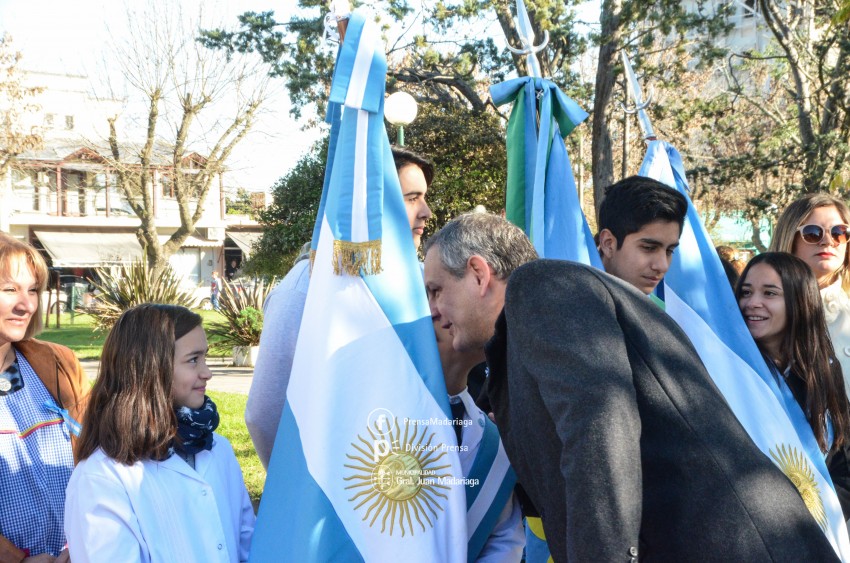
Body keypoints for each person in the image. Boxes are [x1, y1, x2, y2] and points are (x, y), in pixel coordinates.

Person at [424, 213, 838, 561]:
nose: (434, 310)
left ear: (479, 273)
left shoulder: (542, 287)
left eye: (436, 290)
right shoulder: (514, 354)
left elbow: (600, 430)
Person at [246, 145, 435, 468]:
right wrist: (300, 486)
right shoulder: (304, 288)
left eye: (424, 197)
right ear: (370, 202)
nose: (426, 211)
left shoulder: (422, 280)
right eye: (411, 197)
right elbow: (265, 413)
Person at [64, 304, 255, 562]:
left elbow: (249, 545)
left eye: (205, 358)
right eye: (193, 360)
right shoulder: (102, 477)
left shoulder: (217, 450)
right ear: (152, 369)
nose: (207, 372)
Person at [736, 251, 850, 519]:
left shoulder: (824, 371)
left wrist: (819, 518)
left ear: (800, 301)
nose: (752, 303)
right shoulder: (732, 371)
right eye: (746, 292)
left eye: (770, 293)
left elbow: (844, 466)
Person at [0, 233, 87, 563]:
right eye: (10, 290)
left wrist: (86, 540)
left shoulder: (58, 364)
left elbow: (100, 454)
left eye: (33, 289)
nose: (26, 304)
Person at [430, 299, 525, 561]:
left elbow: (504, 540)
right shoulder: (378, 420)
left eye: (438, 292)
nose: (436, 308)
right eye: (429, 293)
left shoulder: (492, 442)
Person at [771, 194, 850, 399]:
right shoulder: (763, 313)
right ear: (790, 238)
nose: (828, 241)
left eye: (839, 232)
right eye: (813, 233)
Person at [596, 175, 688, 296]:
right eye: (649, 248)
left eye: (669, 251)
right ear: (608, 244)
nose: (663, 266)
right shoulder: (569, 303)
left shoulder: (659, 311)